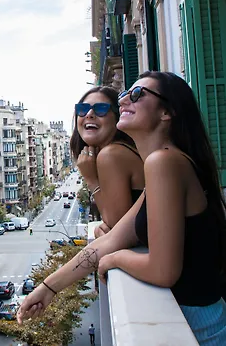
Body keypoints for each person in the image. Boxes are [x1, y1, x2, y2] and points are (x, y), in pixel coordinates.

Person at [17, 72, 226, 345]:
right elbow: (110, 240)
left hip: (200, 328)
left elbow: (163, 271)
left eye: (137, 94)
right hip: (200, 321)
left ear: (167, 112)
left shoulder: (164, 162)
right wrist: (48, 288)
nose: (125, 99)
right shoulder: (166, 163)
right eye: (125, 94)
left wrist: (115, 260)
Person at [71, 86, 144, 236]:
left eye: (101, 109)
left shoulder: (111, 155)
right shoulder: (121, 150)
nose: (89, 114)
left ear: (117, 117)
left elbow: (117, 232)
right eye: (82, 109)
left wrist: (91, 180)